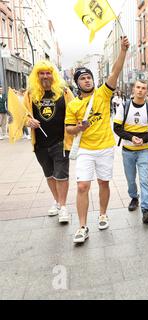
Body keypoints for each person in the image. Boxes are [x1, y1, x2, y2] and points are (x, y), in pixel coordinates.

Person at [65, 36, 130, 244]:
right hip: (84, 149)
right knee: (82, 186)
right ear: (77, 83)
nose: (87, 80)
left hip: (105, 148)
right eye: (82, 78)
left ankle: (102, 213)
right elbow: (68, 129)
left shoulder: (103, 94)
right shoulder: (74, 105)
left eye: (88, 77)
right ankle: (82, 227)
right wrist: (78, 127)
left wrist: (123, 50)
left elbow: (115, 72)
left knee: (103, 182)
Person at [24, 60, 74, 223]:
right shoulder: (30, 94)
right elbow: (23, 115)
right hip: (40, 144)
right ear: (36, 76)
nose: (45, 76)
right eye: (41, 73)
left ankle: (64, 207)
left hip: (61, 141)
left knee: (61, 176)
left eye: (48, 73)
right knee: (49, 175)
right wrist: (28, 122)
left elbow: (74, 111)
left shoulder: (64, 92)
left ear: (53, 75)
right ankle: (57, 202)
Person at [114, 80, 148, 222]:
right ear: (133, 89)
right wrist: (131, 138)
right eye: (138, 87)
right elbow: (117, 128)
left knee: (144, 179)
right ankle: (134, 197)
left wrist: (144, 140)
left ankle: (146, 209)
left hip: (143, 151)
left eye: (143, 88)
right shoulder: (124, 106)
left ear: (146, 91)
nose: (140, 90)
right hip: (127, 150)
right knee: (130, 180)